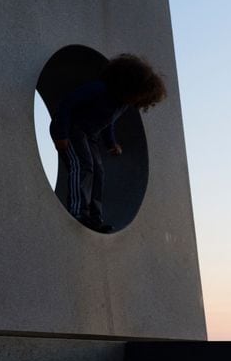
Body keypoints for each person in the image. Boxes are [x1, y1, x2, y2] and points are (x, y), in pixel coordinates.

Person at [50, 54, 166, 232]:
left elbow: (107, 123)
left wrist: (111, 143)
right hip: (72, 129)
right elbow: (67, 104)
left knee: (99, 171)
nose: (137, 101)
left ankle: (94, 217)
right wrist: (61, 134)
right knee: (82, 165)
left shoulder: (122, 104)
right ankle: (78, 211)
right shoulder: (99, 90)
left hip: (89, 135)